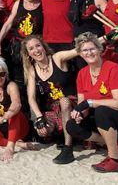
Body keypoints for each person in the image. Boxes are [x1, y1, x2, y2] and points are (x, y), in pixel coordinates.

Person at [66, 32, 118, 173]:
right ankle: (111, 143)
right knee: (72, 125)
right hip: (106, 122)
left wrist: (91, 102)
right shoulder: (82, 74)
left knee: (102, 111)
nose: (89, 53)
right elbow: (82, 105)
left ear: (100, 50)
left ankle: (114, 160)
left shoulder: (113, 69)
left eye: (92, 49)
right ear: (80, 54)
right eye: (84, 50)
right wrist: (80, 114)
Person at [21, 35, 79, 164]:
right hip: (53, 109)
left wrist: (104, 38)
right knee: (43, 131)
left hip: (73, 103)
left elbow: (79, 49)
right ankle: (61, 137)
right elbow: (31, 97)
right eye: (31, 48)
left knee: (64, 102)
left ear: (44, 46)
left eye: (38, 45)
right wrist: (39, 117)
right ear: (28, 54)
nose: (36, 50)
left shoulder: (57, 58)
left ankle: (68, 148)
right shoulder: (32, 70)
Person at [0, 0, 44, 83]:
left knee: (36, 77)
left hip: (35, 47)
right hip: (19, 47)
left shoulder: (43, 3)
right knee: (19, 78)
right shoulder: (19, 3)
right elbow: (8, 24)